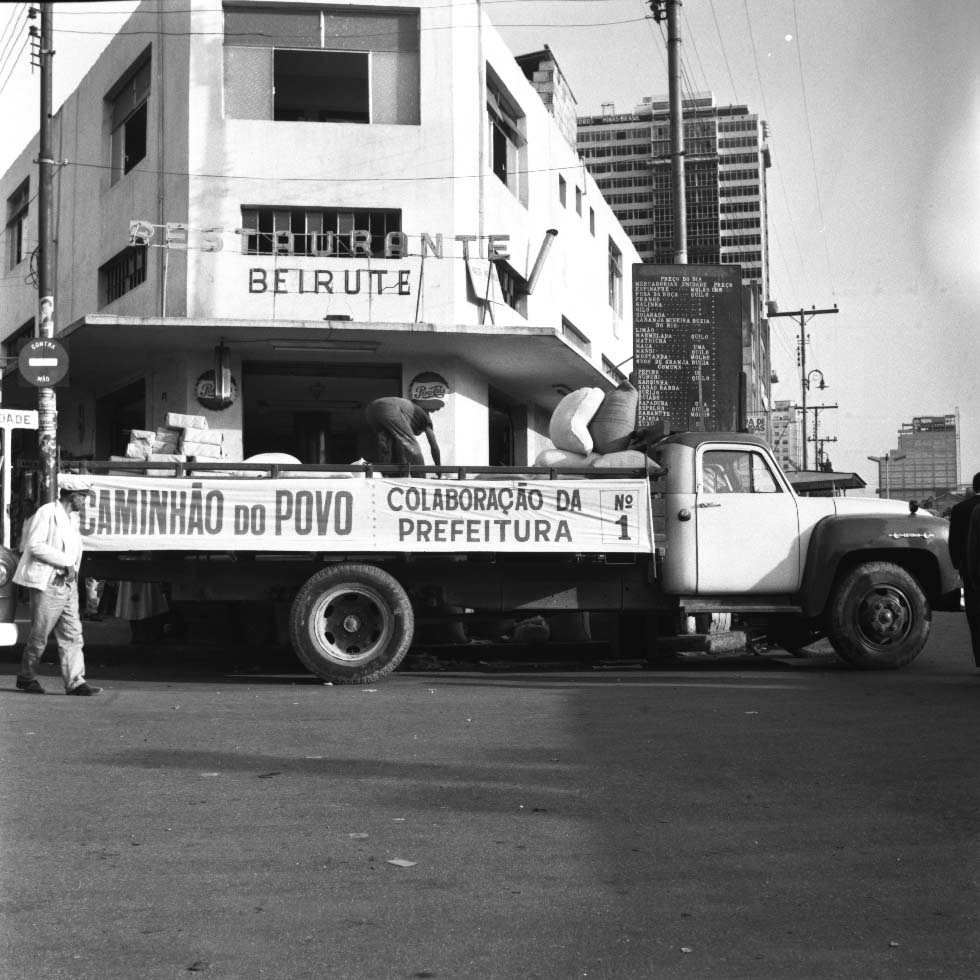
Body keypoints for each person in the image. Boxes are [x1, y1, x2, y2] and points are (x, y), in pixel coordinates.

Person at [14, 474, 101, 695]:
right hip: (49, 583)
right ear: (73, 496)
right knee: (40, 635)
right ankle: (27, 676)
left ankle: (75, 681)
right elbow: (35, 546)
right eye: (83, 497)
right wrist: (65, 563)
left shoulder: (71, 518)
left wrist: (71, 568)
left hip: (67, 585)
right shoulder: (47, 513)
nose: (85, 502)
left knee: (73, 634)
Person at [949, 472, 980, 668]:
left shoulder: (960, 508)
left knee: (974, 615)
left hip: (970, 569)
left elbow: (954, 541)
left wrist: (957, 564)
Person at [365, 396, 442, 468]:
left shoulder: (408, 415)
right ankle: (420, 478)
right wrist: (439, 469)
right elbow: (434, 447)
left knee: (385, 445)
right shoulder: (426, 419)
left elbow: (402, 450)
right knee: (412, 445)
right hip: (389, 407)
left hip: (371, 410)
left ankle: (386, 475)